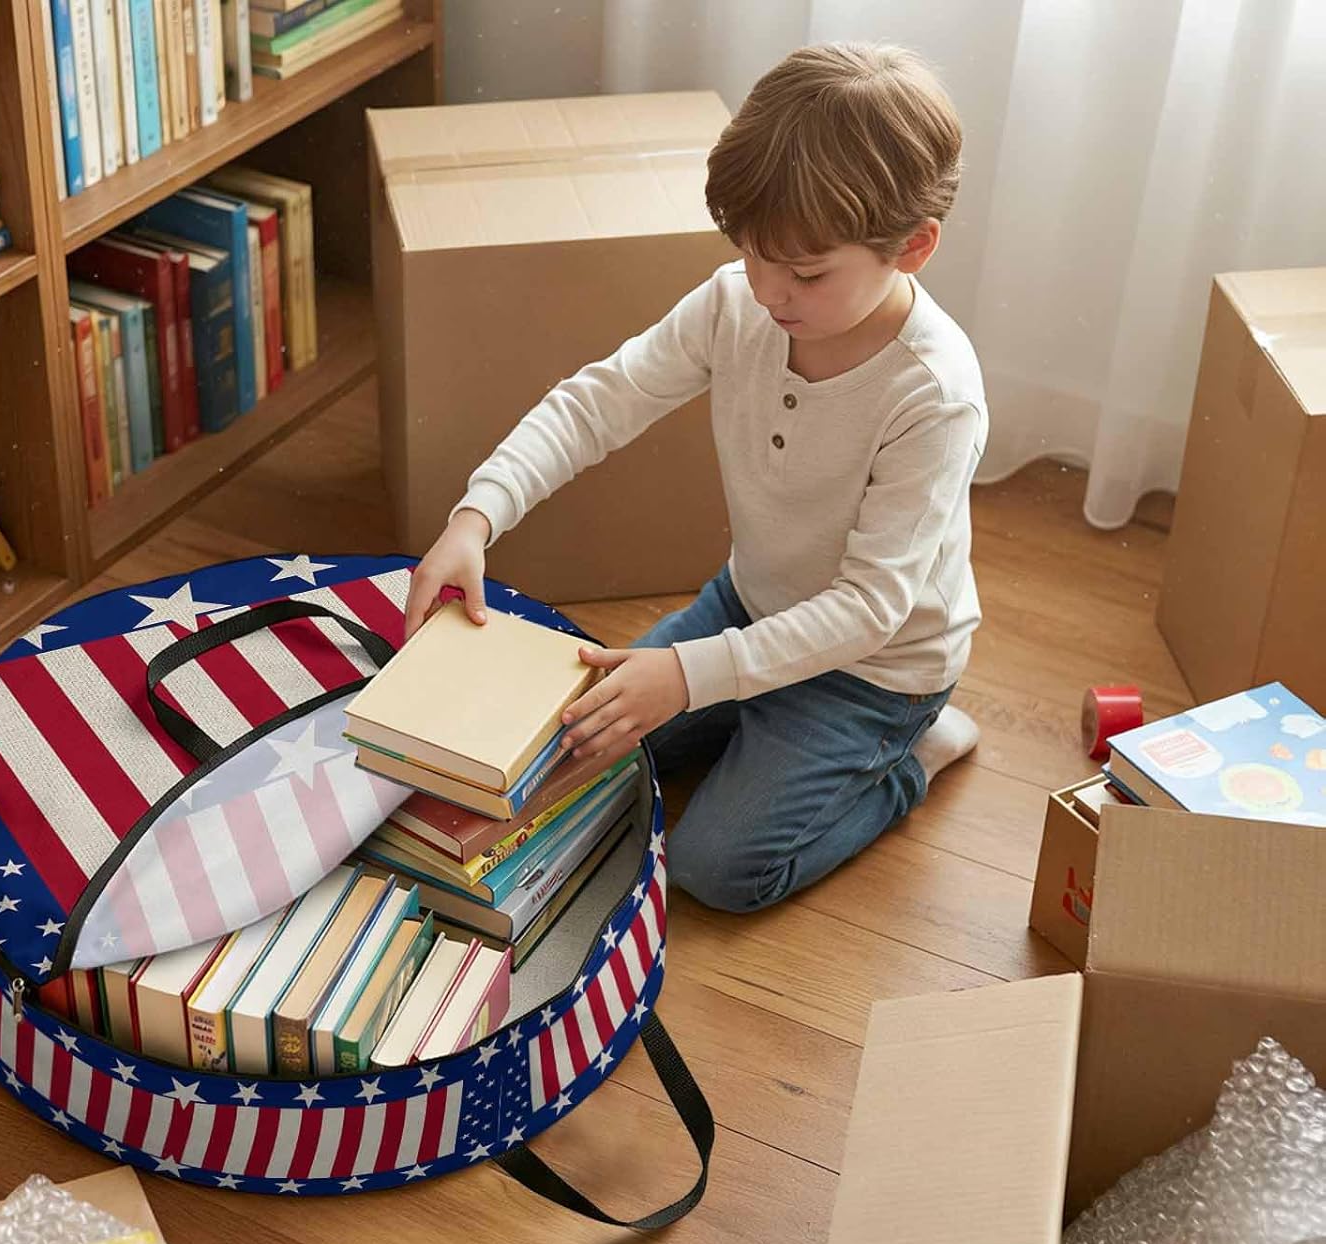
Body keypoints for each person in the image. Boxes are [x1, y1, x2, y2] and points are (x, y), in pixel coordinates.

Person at [402, 42, 985, 914]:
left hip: (875, 673)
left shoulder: (933, 395)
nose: (769, 291)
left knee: (715, 869)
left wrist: (686, 675)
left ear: (913, 247)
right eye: (752, 253)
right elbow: (600, 402)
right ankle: (746, 724)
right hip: (750, 605)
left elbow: (870, 609)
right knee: (572, 751)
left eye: (806, 273)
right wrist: (476, 516)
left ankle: (911, 761)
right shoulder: (736, 303)